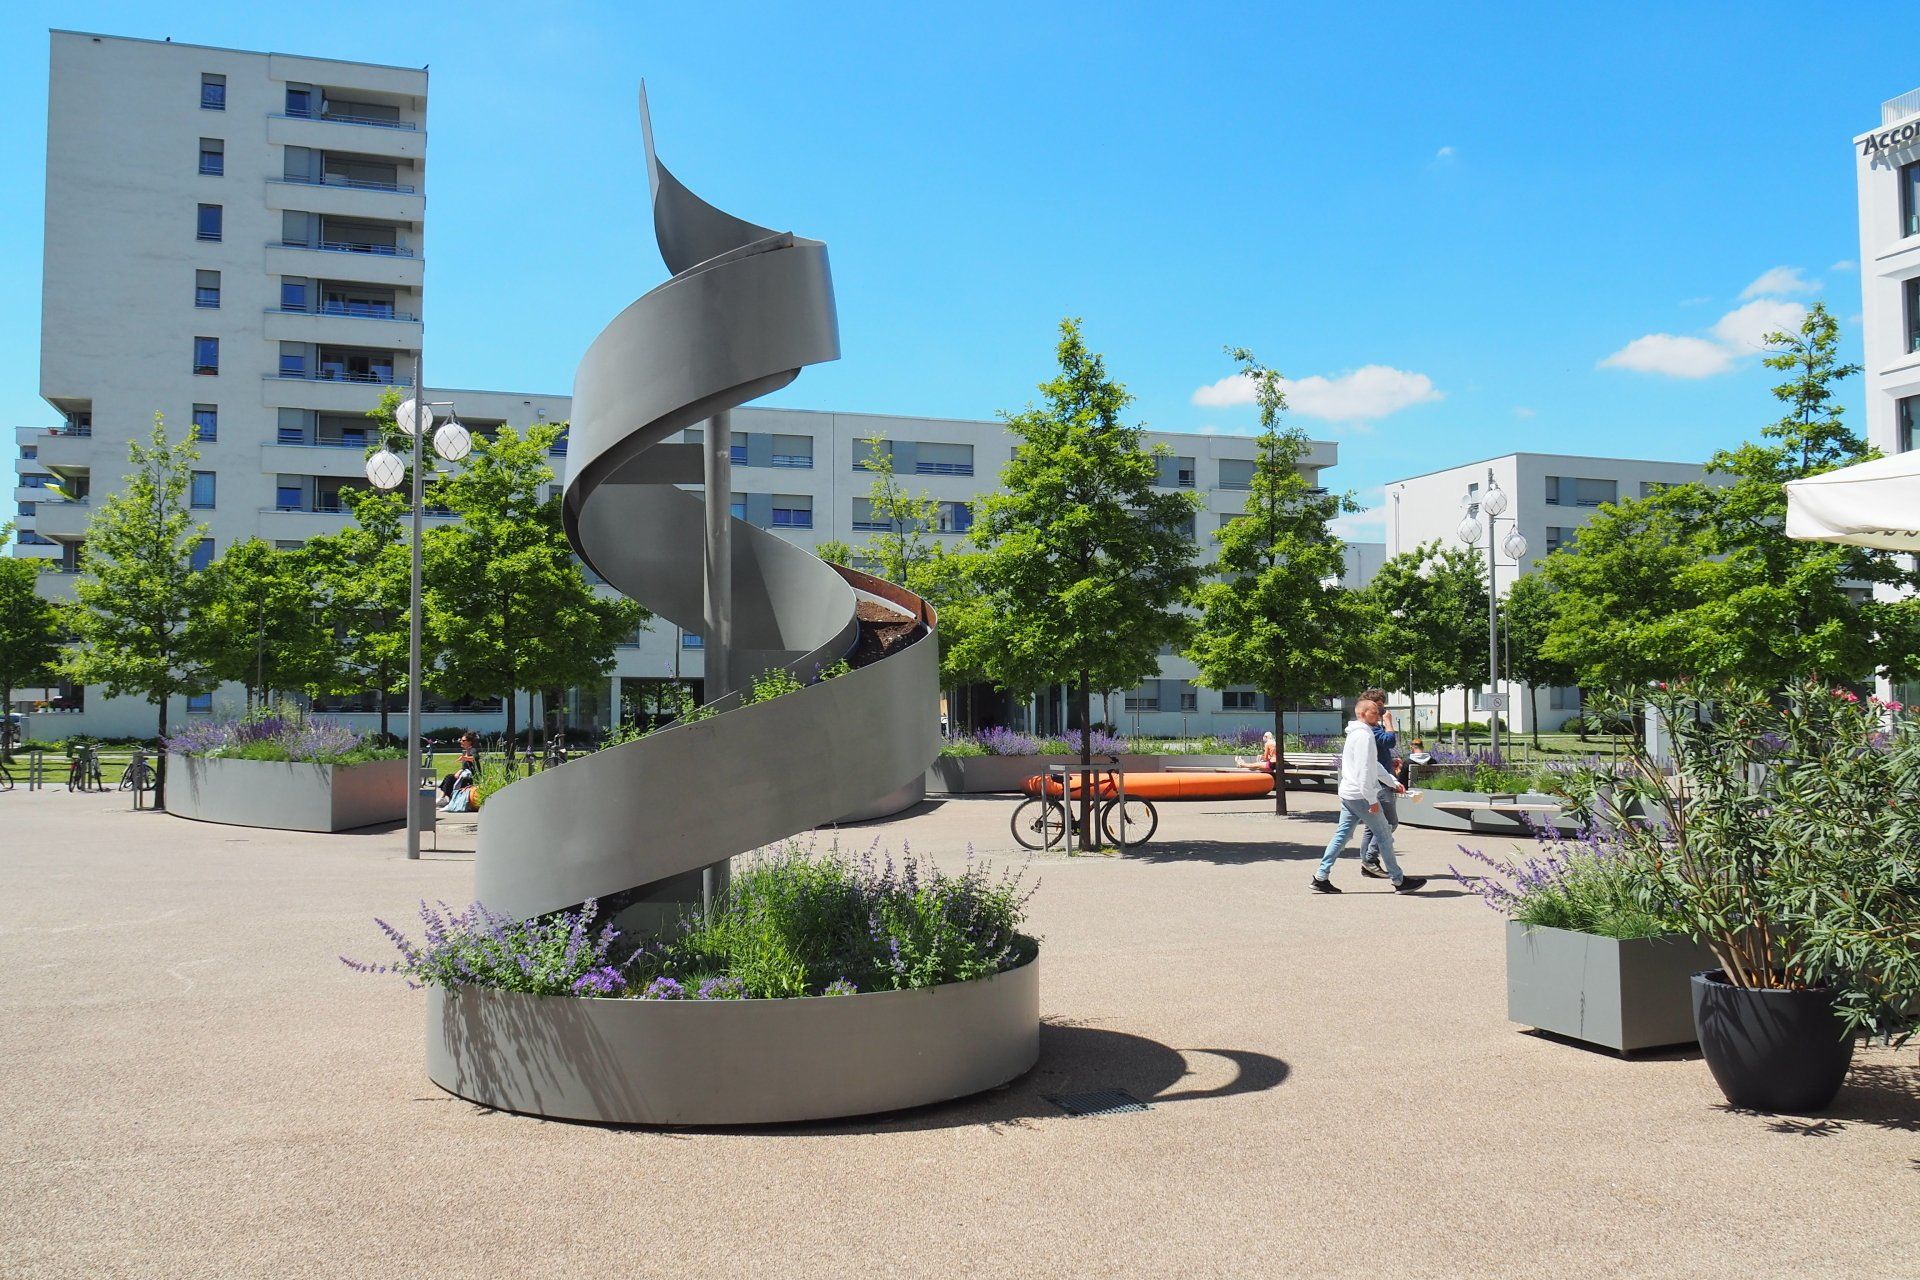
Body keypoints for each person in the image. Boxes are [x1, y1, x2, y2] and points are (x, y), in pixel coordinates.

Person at [1311, 693, 1427, 894]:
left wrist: (1392, 781)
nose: (1379, 713)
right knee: (1384, 834)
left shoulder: (1357, 733)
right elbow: (1365, 770)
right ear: (1363, 713)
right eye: (1375, 711)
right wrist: (1372, 799)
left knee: (1342, 836)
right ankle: (1399, 881)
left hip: (1349, 793)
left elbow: (1373, 764)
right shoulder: (1364, 735)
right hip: (1361, 795)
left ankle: (1320, 877)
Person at [1358, 690, 1404, 879]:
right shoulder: (1371, 728)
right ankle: (1369, 858)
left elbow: (1379, 751)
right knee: (1390, 822)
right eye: (1378, 705)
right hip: (1380, 782)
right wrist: (1388, 722)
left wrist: (1389, 762)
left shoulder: (1367, 728)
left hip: (1379, 776)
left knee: (1371, 826)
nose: (1382, 708)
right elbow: (1389, 741)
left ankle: (1368, 864)